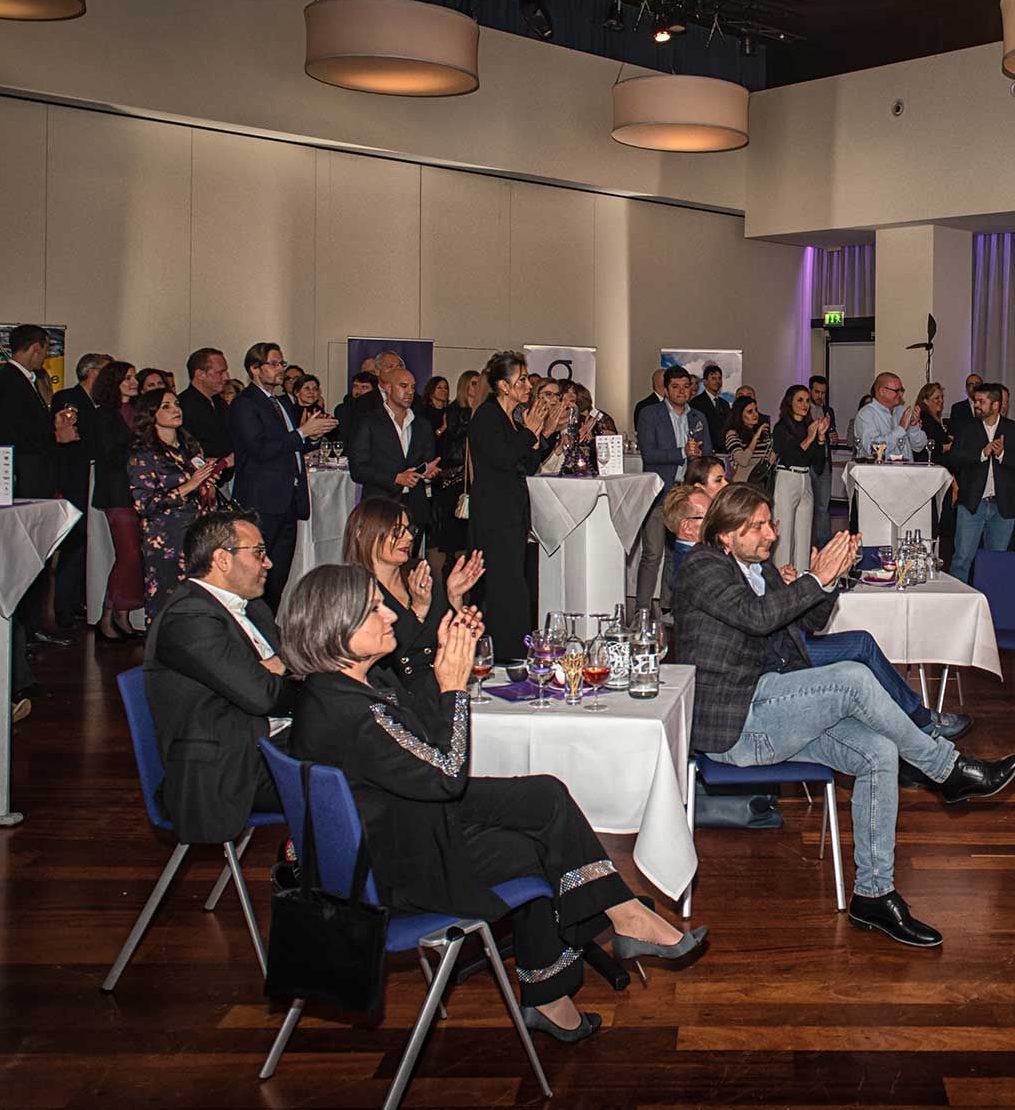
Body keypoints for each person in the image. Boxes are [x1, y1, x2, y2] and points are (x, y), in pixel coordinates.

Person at [282, 563, 704, 1040]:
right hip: (397, 870)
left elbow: (418, 736)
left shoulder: (341, 689)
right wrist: (453, 688)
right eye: (374, 609)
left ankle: (618, 919)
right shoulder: (352, 712)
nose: (391, 615)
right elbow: (446, 772)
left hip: (402, 821)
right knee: (536, 851)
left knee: (545, 797)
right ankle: (556, 986)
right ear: (337, 627)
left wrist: (441, 666)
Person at [673, 484, 1015, 947]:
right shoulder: (701, 566)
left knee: (878, 752)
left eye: (770, 523)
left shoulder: (759, 568)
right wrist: (813, 580)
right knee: (854, 677)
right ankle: (945, 768)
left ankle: (874, 895)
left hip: (776, 711)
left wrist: (830, 579)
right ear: (724, 534)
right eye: (757, 526)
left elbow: (806, 625)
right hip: (738, 725)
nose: (771, 534)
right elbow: (756, 617)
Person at [142, 509, 297, 845]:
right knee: (361, 775)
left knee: (369, 751)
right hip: (230, 770)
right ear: (222, 559)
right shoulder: (188, 617)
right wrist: (282, 666)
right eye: (258, 553)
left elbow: (288, 670)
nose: (268, 563)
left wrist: (276, 667)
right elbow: (263, 696)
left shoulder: (254, 607)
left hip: (271, 744)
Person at [0, 325, 81, 694]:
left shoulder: (22, 380)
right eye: (44, 350)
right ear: (35, 348)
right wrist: (54, 434)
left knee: (39, 557)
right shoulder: (8, 380)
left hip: (36, 474)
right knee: (26, 556)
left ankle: (31, 630)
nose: (45, 357)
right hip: (25, 477)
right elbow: (12, 433)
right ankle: (25, 633)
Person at [229, 342, 337, 608]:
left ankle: (271, 621)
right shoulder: (245, 403)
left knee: (278, 573)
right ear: (255, 369)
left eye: (282, 363)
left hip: (288, 497)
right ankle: (253, 624)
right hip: (262, 499)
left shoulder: (279, 402)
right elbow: (259, 449)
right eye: (274, 364)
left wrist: (313, 436)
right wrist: (302, 433)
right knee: (256, 571)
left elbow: (290, 447)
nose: (281, 369)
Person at [469, 351, 561, 655]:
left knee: (515, 584)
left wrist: (544, 434)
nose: (528, 386)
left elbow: (527, 465)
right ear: (503, 386)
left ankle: (516, 650)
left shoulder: (512, 417)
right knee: (503, 587)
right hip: (494, 515)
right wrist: (530, 432)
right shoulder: (487, 416)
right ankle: (503, 653)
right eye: (521, 380)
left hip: (512, 512)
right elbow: (503, 458)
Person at [345, 495, 485, 678]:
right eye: (397, 531)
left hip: (440, 683)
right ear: (362, 534)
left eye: (409, 530)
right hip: (394, 690)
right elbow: (383, 661)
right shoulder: (356, 592)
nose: (409, 537)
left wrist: (454, 596)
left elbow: (449, 642)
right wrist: (418, 610)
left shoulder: (417, 575)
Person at [129, 387, 225, 612]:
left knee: (198, 596)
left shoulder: (188, 447)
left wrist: (208, 484)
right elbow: (143, 504)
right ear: (152, 415)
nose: (175, 410)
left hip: (197, 532)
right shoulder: (144, 454)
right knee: (167, 600)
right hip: (167, 537)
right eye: (166, 406)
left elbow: (202, 490)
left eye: (177, 404)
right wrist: (189, 486)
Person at [635, 366, 710, 611]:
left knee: (678, 553)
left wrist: (699, 457)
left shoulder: (698, 417)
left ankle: (670, 607)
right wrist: (682, 453)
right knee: (652, 554)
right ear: (666, 390)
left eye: (686, 386)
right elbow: (649, 454)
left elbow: (708, 453)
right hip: (659, 493)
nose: (681, 391)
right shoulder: (649, 414)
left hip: (688, 495)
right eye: (675, 387)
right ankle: (642, 611)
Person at [945, 382, 1015, 582]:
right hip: (972, 503)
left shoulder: (1014, 429)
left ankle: (991, 599)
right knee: (962, 558)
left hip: (1003, 506)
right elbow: (953, 459)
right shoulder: (967, 428)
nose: (976, 405)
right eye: (976, 401)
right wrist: (982, 453)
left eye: (981, 402)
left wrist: (1002, 455)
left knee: (997, 561)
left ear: (996, 405)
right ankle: (957, 599)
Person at [52, 352, 110, 632]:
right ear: (92, 372)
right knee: (74, 544)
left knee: (87, 543)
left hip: (92, 479)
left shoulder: (101, 404)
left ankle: (79, 602)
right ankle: (64, 610)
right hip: (74, 479)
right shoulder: (69, 398)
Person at [87, 361, 145, 641]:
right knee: (129, 554)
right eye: (128, 378)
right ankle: (107, 613)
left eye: (134, 377)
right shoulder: (104, 415)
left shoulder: (138, 411)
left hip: (139, 491)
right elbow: (106, 453)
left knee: (136, 556)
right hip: (116, 491)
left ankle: (122, 613)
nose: (134, 382)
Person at [349, 366, 440, 538]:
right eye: (403, 386)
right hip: (380, 506)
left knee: (410, 554)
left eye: (413, 387)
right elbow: (357, 469)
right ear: (388, 388)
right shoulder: (369, 421)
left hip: (414, 506)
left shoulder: (422, 425)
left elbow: (426, 463)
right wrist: (395, 478)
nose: (410, 392)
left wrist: (428, 473)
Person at [771, 385, 828, 570]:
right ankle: (782, 576)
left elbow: (818, 465)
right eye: (800, 400)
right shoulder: (781, 428)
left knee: (804, 535)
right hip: (787, 478)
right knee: (784, 532)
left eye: (807, 401)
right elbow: (789, 457)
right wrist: (810, 438)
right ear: (790, 402)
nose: (805, 404)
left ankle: (802, 575)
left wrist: (820, 437)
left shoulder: (808, 427)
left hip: (806, 479)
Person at [429, 370, 481, 564]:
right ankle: (450, 565)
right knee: (454, 522)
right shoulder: (454, 410)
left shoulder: (483, 409)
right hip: (455, 472)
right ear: (465, 386)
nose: (477, 387)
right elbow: (454, 434)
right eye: (474, 383)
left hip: (474, 472)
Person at [178, 348, 233, 491]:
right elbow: (185, 450)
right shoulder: (183, 405)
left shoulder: (220, 403)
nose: (226, 377)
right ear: (200, 375)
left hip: (225, 479)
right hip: (200, 484)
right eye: (220, 373)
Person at [852, 372, 927, 460]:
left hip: (906, 468)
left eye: (902, 390)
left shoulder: (902, 411)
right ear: (882, 391)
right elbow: (873, 449)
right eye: (896, 391)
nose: (901, 394)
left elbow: (919, 447)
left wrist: (914, 427)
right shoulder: (866, 414)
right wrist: (901, 429)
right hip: (879, 468)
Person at [806, 375, 837, 547]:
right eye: (817, 392)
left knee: (823, 506)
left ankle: (824, 545)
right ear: (810, 390)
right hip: (808, 462)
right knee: (806, 505)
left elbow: (832, 433)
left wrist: (833, 436)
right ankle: (805, 543)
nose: (820, 396)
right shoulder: (803, 410)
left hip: (824, 462)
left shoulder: (828, 410)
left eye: (823, 393)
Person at [722, 395, 773, 485]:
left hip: (761, 483)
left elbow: (770, 460)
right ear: (740, 415)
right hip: (742, 484)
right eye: (750, 412)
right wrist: (755, 438)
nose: (755, 414)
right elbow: (743, 461)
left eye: (756, 410)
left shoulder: (763, 434)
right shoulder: (732, 434)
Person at [333, 370, 378, 441]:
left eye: (364, 387)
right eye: (355, 386)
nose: (359, 391)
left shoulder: (380, 410)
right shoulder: (342, 410)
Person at [690, 363, 729, 439]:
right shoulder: (696, 402)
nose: (717, 381)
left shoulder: (725, 404)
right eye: (713, 378)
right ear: (705, 382)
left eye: (719, 378)